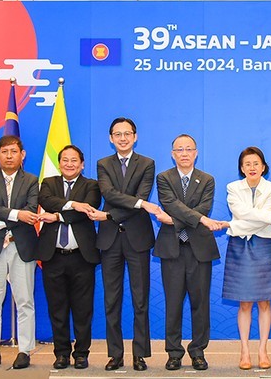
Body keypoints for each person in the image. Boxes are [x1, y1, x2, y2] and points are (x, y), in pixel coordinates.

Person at [91, 117, 167, 371]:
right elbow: (109, 194)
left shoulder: (147, 163)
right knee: (111, 300)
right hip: (110, 239)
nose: (123, 138)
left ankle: (140, 354)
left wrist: (110, 214)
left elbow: (142, 197)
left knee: (140, 298)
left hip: (137, 237)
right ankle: (115, 354)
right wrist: (135, 205)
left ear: (135, 136)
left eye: (127, 134)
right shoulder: (103, 164)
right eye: (117, 134)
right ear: (111, 138)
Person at [154, 134, 228, 371]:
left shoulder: (207, 179)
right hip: (172, 250)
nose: (184, 153)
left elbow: (203, 207)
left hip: (199, 250)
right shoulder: (164, 178)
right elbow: (170, 204)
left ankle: (198, 351)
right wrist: (200, 220)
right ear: (172, 154)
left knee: (200, 303)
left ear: (196, 153)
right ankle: (174, 352)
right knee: (173, 303)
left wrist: (174, 221)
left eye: (189, 149)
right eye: (179, 149)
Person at [37, 145, 102, 370]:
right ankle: (61, 353)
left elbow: (89, 209)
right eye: (65, 160)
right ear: (59, 163)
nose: (70, 164)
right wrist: (73, 204)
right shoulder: (48, 183)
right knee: (57, 308)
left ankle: (82, 353)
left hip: (81, 257)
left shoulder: (91, 185)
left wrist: (57, 215)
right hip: (52, 256)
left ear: (82, 164)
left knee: (83, 309)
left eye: (74, 160)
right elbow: (46, 201)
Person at [0, 135, 40, 370]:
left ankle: (25, 350)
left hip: (21, 246)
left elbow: (31, 211)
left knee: (25, 301)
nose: (9, 156)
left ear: (22, 155)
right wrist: (15, 216)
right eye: (5, 152)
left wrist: (0, 223)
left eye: (14, 151)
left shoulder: (32, 180)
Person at [223, 147, 271, 370]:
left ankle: (262, 350)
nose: (252, 167)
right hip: (239, 245)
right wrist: (268, 216)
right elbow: (243, 213)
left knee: (265, 301)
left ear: (263, 167)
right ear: (242, 168)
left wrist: (234, 223)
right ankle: (244, 350)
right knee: (244, 302)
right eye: (247, 164)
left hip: (264, 245)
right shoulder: (232, 187)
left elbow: (263, 221)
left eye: (256, 163)